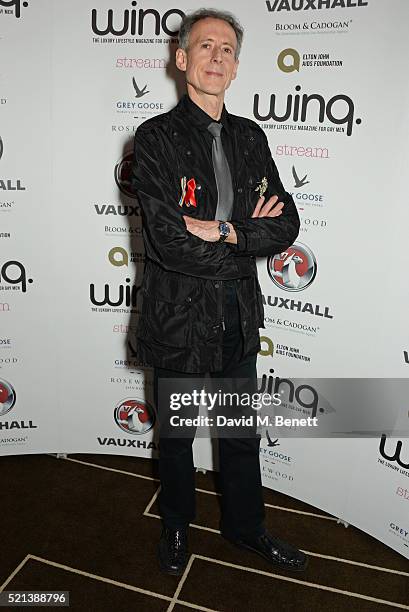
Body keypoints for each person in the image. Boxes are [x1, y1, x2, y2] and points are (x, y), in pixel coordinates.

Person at [131, 8, 307, 575]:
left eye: (227, 50)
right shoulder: (154, 138)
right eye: (205, 46)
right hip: (177, 319)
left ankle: (247, 528)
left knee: (238, 434)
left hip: (236, 316)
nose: (217, 57)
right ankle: (178, 527)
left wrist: (229, 230)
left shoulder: (251, 138)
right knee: (177, 438)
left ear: (236, 68)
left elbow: (286, 224)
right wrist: (242, 249)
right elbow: (166, 241)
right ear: (181, 60)